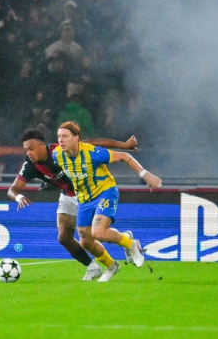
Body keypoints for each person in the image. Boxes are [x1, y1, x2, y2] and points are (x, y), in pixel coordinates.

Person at [8, 128, 138, 281]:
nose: (28, 153)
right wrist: (19, 197)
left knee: (93, 236)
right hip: (67, 196)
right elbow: (13, 189)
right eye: (26, 150)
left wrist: (123, 145)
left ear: (42, 145)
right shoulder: (30, 165)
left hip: (89, 193)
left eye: (31, 148)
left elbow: (93, 143)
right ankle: (94, 267)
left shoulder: (59, 150)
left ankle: (124, 241)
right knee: (63, 237)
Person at [52, 121, 162, 282]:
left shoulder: (92, 153)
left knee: (98, 232)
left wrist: (145, 174)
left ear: (76, 138)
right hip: (83, 199)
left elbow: (125, 157)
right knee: (86, 242)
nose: (61, 140)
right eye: (59, 136)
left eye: (65, 136)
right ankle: (111, 266)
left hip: (105, 192)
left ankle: (131, 244)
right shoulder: (57, 154)